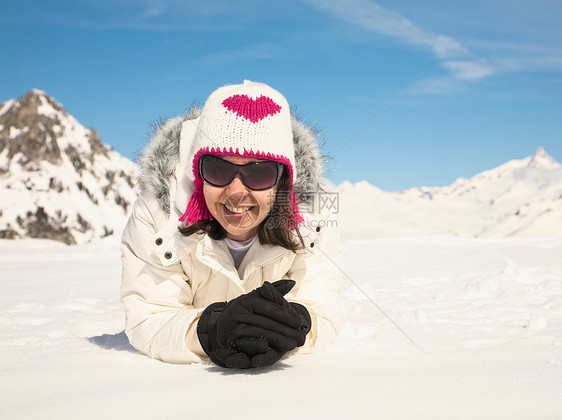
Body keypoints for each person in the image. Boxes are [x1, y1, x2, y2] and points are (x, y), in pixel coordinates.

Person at [120, 80, 343, 369]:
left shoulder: (311, 222)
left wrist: (294, 325)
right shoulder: (159, 216)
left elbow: (323, 315)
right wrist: (208, 331)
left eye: (259, 173)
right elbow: (148, 319)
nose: (236, 191)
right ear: (198, 173)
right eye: (219, 168)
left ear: (282, 181)